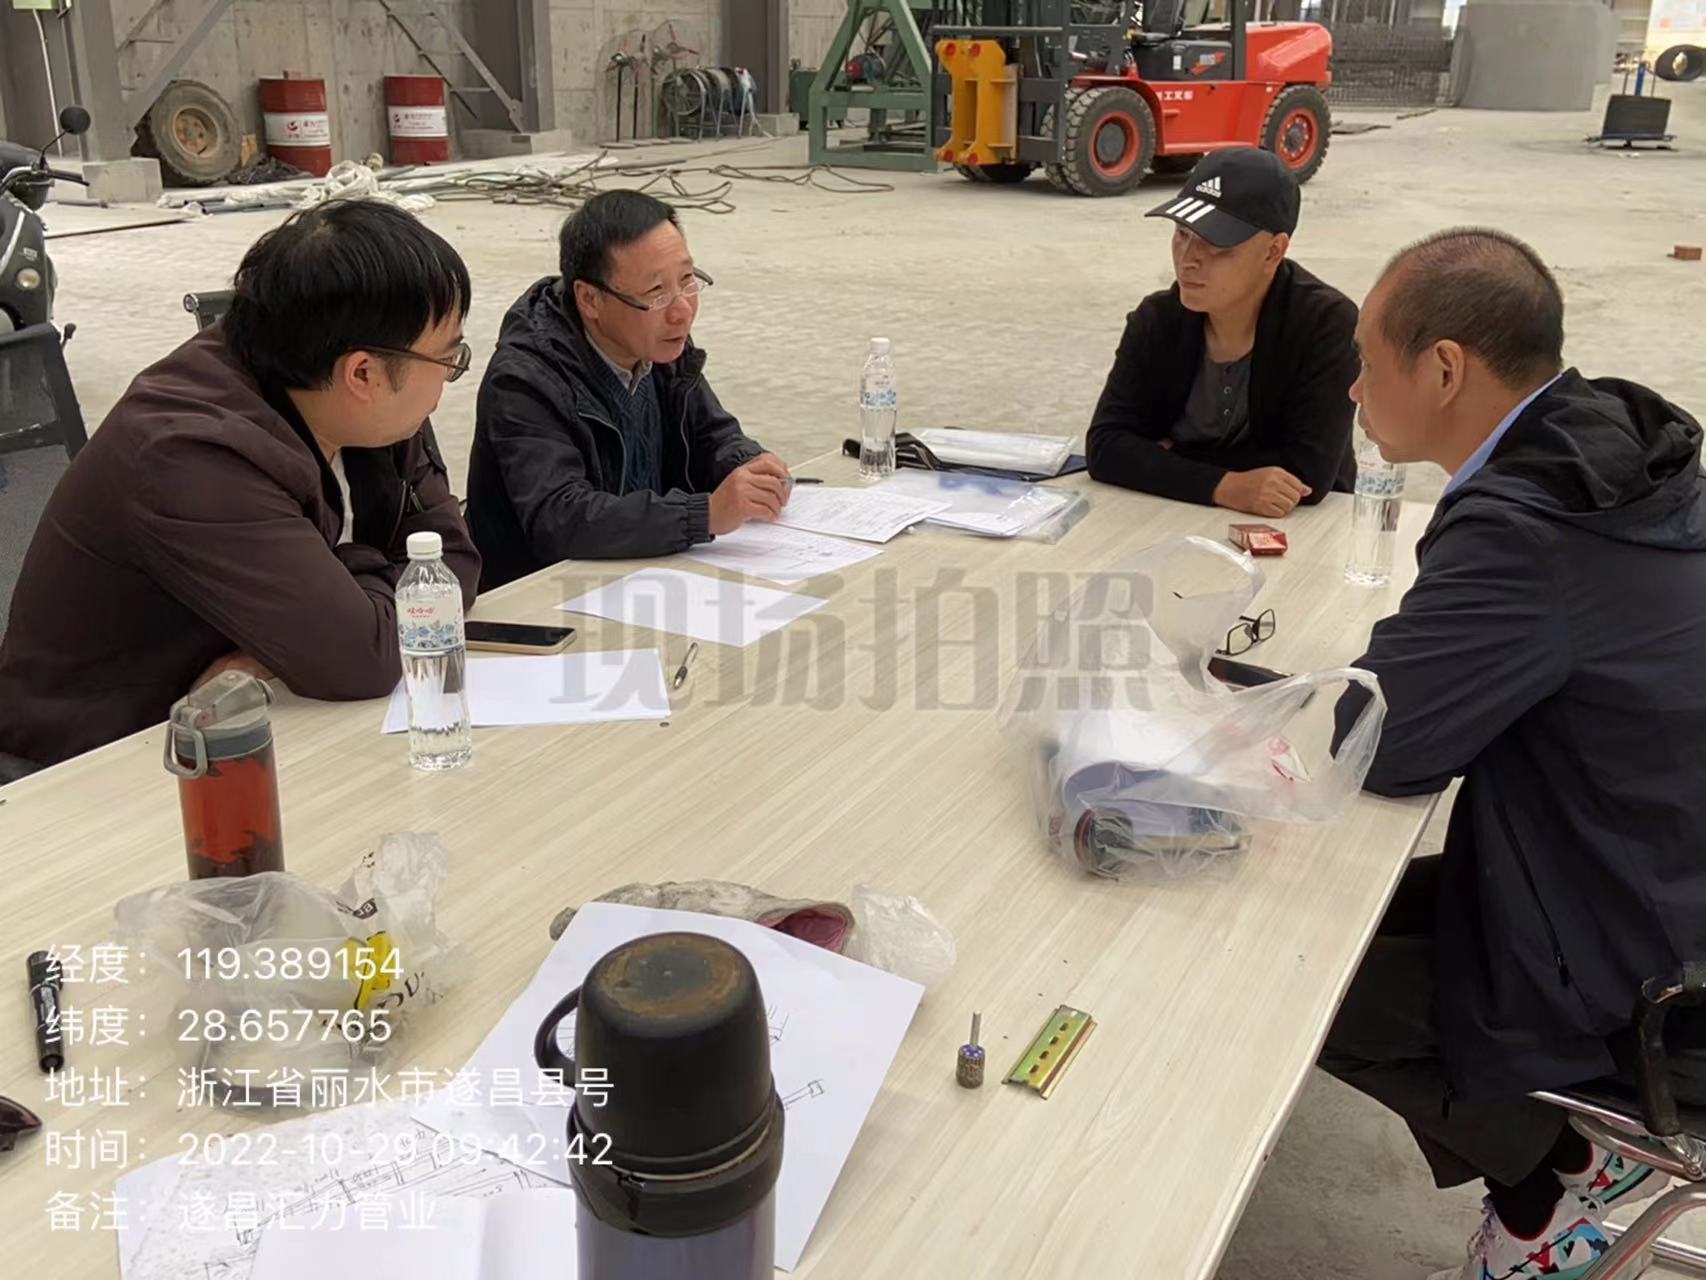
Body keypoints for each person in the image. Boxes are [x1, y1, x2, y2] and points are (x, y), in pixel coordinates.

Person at [1321, 227, 1706, 1280]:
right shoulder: (1605, 459)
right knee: (1354, 914)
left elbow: (1381, 740)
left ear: (1444, 368)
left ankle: (1553, 1175)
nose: (1354, 387)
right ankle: (1553, 1163)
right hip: (1654, 872)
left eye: (1368, 360)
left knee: (1292, 976)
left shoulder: (1528, 526)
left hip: (1652, 976)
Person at [0, 199, 479, 769]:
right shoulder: (189, 452)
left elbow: (454, 562)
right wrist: (355, 602)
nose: (449, 376)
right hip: (98, 767)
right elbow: (362, 657)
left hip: (262, 724)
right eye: (448, 359)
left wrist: (295, 637)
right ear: (363, 373)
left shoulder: (370, 407)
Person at [465, 190, 789, 590]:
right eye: (656, 292)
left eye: (687, 280)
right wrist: (703, 514)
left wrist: (750, 465)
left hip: (645, 576)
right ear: (590, 299)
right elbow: (561, 518)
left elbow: (711, 434)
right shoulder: (525, 379)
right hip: (546, 597)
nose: (681, 311)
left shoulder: (658, 342)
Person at [1086, 146, 1359, 519]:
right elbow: (1105, 447)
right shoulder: (1157, 320)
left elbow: (1307, 473)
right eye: (1182, 233)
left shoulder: (1326, 325)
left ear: (1273, 252)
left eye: (1216, 245)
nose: (1188, 259)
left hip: (1306, 529)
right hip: (1169, 516)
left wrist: (1165, 458)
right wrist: (1224, 485)